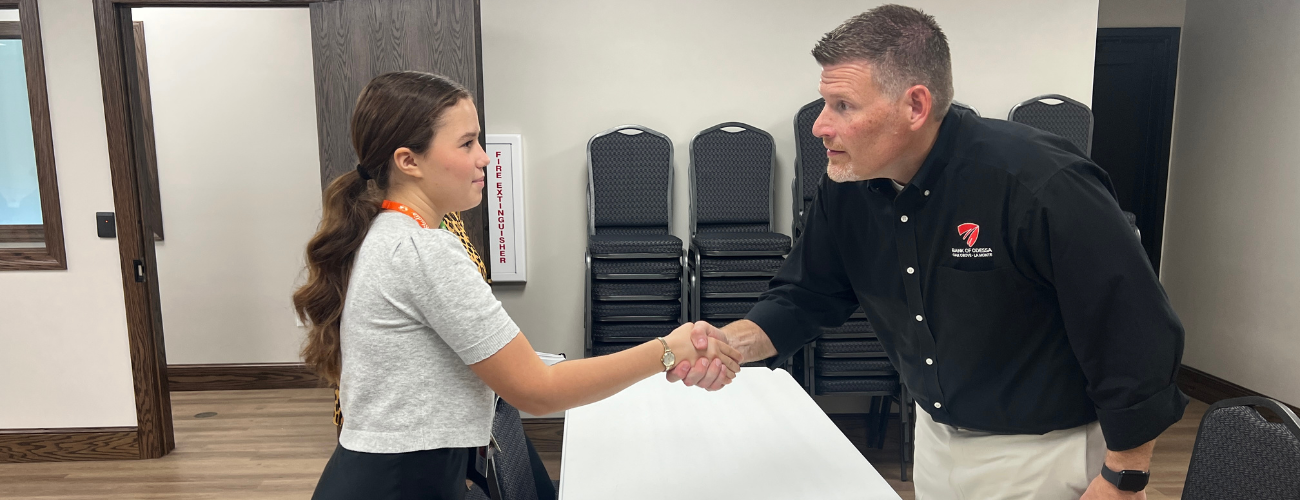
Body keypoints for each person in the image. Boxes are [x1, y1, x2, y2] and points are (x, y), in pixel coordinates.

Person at [670, 5, 1188, 499]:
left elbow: (1133, 329)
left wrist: (1125, 474)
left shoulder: (1038, 182)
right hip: (936, 443)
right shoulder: (848, 188)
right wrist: (730, 342)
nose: (819, 125)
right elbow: (806, 295)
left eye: (843, 106)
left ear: (915, 105)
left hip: (1044, 456)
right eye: (826, 103)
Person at [294, 71, 740, 500]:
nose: (484, 157)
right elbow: (537, 390)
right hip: (398, 483)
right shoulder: (423, 251)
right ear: (409, 161)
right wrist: (668, 349)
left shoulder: (392, 234)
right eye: (467, 143)